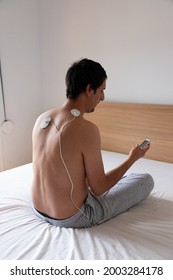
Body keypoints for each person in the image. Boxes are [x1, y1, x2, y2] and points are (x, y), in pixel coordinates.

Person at [31, 58, 154, 228]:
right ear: (89, 89)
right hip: (72, 216)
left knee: (124, 180)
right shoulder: (86, 129)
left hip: (38, 208)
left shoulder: (42, 118)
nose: (103, 97)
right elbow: (99, 188)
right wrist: (132, 158)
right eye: (101, 90)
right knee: (145, 180)